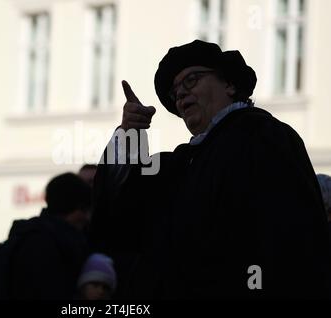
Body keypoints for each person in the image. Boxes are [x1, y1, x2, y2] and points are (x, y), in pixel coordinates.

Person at [90, 40, 331, 299]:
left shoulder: (265, 136)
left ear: (229, 84)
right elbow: (123, 207)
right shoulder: (181, 160)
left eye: (191, 80)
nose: (180, 94)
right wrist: (129, 133)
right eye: (175, 92)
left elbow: (290, 240)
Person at [0, 172, 92, 299]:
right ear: (69, 207)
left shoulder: (35, 236)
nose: (86, 217)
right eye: (83, 209)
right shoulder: (47, 245)